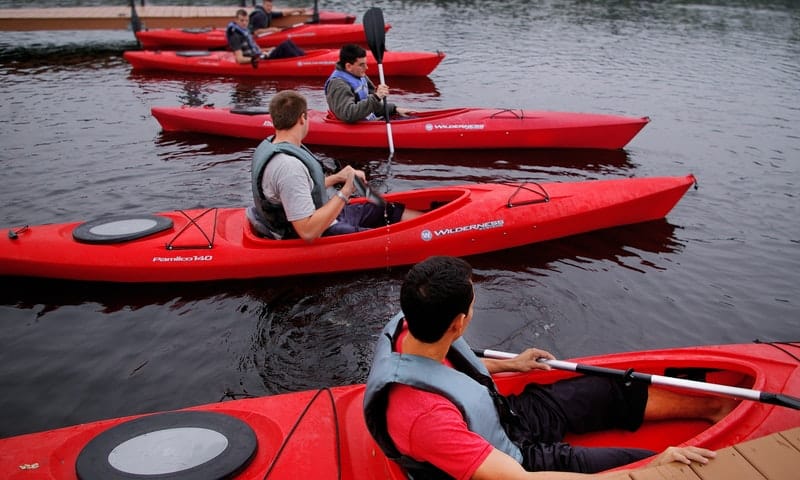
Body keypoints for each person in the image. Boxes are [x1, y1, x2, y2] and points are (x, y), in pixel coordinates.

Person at [364, 256, 736, 479]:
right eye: (474, 304)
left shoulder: (413, 321)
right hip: (515, 459)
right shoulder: (425, 419)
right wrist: (657, 464)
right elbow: (520, 478)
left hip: (506, 418)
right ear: (459, 323)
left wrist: (513, 365)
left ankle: (714, 408)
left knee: (606, 390)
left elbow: (450, 368)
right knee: (645, 465)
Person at [249, 90, 423, 242]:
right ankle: (427, 235)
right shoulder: (288, 167)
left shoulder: (274, 144)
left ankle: (426, 225)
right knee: (379, 236)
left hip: (320, 215)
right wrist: (346, 191)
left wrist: (337, 177)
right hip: (314, 230)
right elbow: (307, 232)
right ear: (302, 118)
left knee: (383, 209)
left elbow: (298, 189)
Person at [324, 44, 415, 123]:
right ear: (348, 66)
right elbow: (348, 114)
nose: (366, 68)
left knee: (411, 117)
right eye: (361, 65)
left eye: (366, 64)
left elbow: (372, 106)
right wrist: (376, 97)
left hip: (366, 120)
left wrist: (394, 109)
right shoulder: (338, 85)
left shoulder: (360, 75)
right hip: (352, 126)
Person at [226, 9, 305, 66]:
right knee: (285, 45)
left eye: (246, 21)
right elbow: (240, 59)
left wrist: (268, 49)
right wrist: (255, 59)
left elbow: (255, 50)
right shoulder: (235, 36)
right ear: (236, 20)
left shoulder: (245, 31)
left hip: (261, 55)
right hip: (258, 59)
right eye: (242, 20)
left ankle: (304, 57)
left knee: (289, 42)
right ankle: (302, 62)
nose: (244, 23)